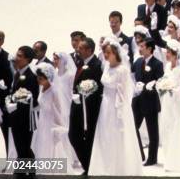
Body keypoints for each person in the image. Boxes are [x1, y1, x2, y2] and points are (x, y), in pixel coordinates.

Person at [88, 39, 142, 176]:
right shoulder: (106, 67)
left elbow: (125, 93)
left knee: (116, 135)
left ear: (115, 53)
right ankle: (105, 167)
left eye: (108, 52)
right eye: (104, 52)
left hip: (117, 106)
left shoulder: (122, 70)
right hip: (105, 105)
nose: (105, 55)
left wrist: (120, 111)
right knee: (104, 135)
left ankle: (118, 168)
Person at [68, 37, 103, 175]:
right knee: (73, 135)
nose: (78, 50)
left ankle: (89, 167)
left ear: (89, 50)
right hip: (78, 106)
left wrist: (84, 94)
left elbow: (98, 87)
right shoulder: (81, 64)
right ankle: (88, 165)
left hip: (89, 110)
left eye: (81, 48)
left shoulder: (96, 64)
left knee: (87, 138)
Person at [30, 63, 72, 171]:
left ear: (48, 78)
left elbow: (59, 110)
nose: (38, 81)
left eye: (41, 79)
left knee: (52, 146)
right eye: (38, 78)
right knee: (41, 143)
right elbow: (41, 104)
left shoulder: (54, 91)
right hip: (42, 121)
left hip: (51, 122)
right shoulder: (42, 88)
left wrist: (58, 126)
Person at [159, 40, 180, 172]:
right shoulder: (167, 66)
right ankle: (168, 157)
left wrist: (174, 89)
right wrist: (161, 86)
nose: (166, 54)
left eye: (169, 52)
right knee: (166, 127)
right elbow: (164, 80)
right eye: (166, 52)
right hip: (167, 101)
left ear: (175, 54)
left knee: (176, 128)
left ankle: (176, 160)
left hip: (178, 102)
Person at [6, 46, 39, 175]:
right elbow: (14, 93)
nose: (16, 58)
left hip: (24, 118)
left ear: (28, 59)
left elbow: (33, 98)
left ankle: (26, 173)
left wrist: (17, 105)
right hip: (15, 117)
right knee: (20, 147)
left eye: (20, 56)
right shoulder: (17, 74)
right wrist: (9, 101)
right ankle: (24, 172)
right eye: (17, 55)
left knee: (24, 147)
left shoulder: (30, 76)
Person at [132, 38, 164, 166]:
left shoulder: (157, 64)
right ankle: (139, 154)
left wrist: (153, 84)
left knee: (152, 131)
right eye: (139, 46)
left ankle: (152, 158)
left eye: (142, 46)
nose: (139, 49)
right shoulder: (138, 61)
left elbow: (161, 80)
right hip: (138, 100)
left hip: (150, 101)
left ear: (149, 49)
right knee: (133, 127)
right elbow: (132, 74)